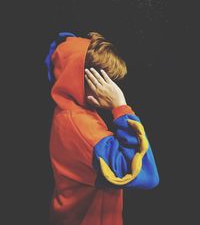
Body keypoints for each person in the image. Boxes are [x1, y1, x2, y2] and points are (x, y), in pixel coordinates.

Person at [44, 31, 159, 225]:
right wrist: (120, 107)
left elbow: (65, 49)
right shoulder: (82, 127)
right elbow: (146, 176)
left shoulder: (67, 109)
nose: (110, 88)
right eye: (106, 81)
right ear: (81, 78)